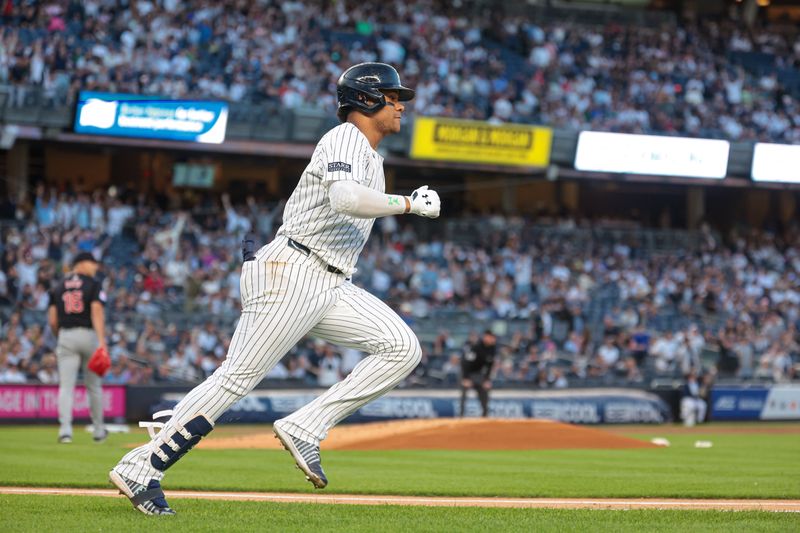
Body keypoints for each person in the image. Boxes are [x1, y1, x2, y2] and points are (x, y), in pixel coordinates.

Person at [109, 62, 441, 516]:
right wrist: (407, 203)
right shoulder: (344, 137)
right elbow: (345, 199)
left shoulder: (371, 156)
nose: (401, 104)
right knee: (236, 380)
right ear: (367, 99)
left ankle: (306, 426)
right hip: (294, 269)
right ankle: (140, 466)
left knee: (402, 348)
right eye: (393, 95)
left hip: (328, 278)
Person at [48, 252, 107, 444]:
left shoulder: (58, 285)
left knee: (66, 387)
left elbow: (52, 319)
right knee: (94, 387)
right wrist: (102, 342)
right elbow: (96, 311)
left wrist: (61, 336)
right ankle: (98, 430)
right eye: (92, 263)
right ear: (81, 263)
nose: (95, 267)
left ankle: (65, 431)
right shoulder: (93, 283)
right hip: (88, 335)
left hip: (66, 335)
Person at [459, 330, 497, 417]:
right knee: (464, 392)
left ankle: (485, 415)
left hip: (478, 374)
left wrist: (487, 379)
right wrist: (465, 378)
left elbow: (490, 365)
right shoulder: (476, 347)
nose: (492, 339)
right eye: (490, 337)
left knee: (485, 391)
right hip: (467, 372)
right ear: (485, 337)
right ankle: (460, 416)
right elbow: (465, 362)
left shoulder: (492, 348)